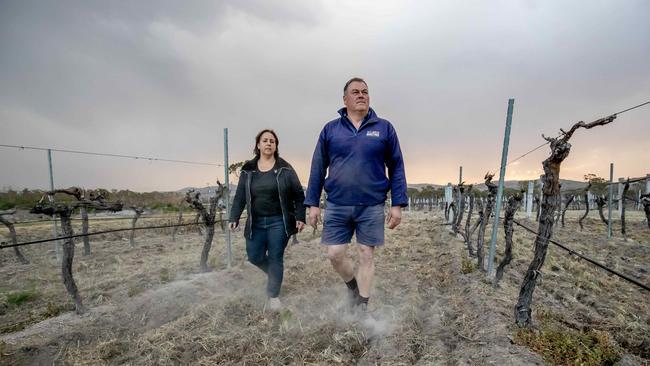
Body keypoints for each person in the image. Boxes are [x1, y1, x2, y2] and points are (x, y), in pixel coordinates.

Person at [305, 77, 407, 314]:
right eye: (355, 92)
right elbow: (318, 167)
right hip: (338, 204)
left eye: (365, 92)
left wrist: (397, 203)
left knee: (366, 254)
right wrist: (312, 203)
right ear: (345, 99)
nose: (361, 95)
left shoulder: (384, 128)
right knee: (335, 254)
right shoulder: (331, 129)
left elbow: (397, 165)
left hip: (371, 205)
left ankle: (362, 305)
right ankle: (352, 286)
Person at [229, 129, 306, 311]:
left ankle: (273, 296)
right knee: (254, 257)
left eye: (272, 141)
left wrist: (300, 216)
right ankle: (274, 276)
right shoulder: (248, 169)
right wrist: (234, 216)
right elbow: (240, 195)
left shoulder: (285, 169)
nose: (269, 143)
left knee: (275, 257)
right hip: (255, 222)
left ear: (276, 145)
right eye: (265, 140)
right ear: (258, 145)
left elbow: (298, 195)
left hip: (279, 221)